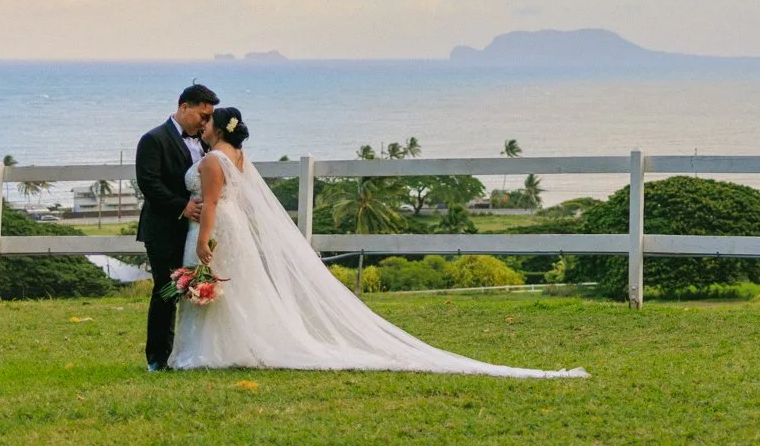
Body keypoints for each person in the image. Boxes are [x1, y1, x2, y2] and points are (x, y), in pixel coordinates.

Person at [167, 107, 584, 377]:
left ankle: (211, 351)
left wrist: (204, 238)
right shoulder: (238, 157)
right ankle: (234, 345)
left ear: (218, 128)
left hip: (219, 229)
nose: (202, 127)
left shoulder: (211, 160)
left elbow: (214, 204)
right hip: (235, 228)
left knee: (219, 283)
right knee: (238, 288)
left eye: (207, 123)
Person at [135, 83, 217, 371]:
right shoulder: (153, 139)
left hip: (196, 232)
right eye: (202, 115)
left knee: (200, 290)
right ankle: (158, 357)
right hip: (164, 229)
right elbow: (149, 183)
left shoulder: (206, 143)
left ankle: (193, 352)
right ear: (184, 107)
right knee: (167, 290)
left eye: (209, 118)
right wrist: (182, 206)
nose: (206, 122)